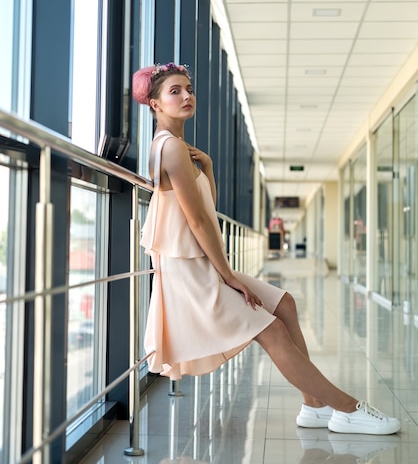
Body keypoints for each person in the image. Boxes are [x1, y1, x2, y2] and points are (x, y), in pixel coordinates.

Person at [132, 62, 401, 436]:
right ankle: (347, 408)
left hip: (199, 264)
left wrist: (208, 167)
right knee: (271, 330)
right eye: (175, 91)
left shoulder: (179, 149)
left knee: (284, 304)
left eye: (189, 88)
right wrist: (228, 277)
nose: (187, 96)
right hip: (192, 272)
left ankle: (314, 405)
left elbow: (206, 208)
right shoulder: (170, 148)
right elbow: (197, 223)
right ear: (155, 104)